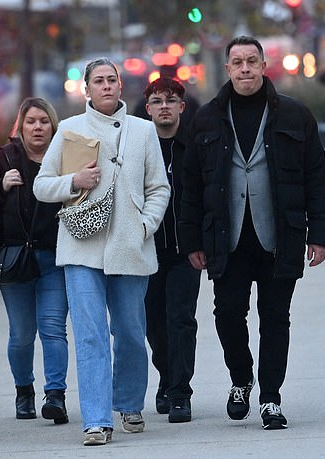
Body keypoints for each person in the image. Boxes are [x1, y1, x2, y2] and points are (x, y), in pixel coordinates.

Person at [179, 36, 325, 430]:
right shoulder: (208, 118)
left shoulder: (294, 115)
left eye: (252, 61)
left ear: (264, 65)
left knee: (275, 318)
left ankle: (270, 398)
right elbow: (191, 184)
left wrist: (320, 233)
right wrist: (192, 240)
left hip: (279, 235)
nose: (245, 68)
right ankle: (241, 378)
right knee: (227, 314)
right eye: (237, 62)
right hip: (226, 238)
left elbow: (317, 176)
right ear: (227, 69)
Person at [33, 57, 170, 446]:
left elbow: (159, 188)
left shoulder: (143, 131)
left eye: (112, 80)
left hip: (131, 245)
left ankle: (128, 402)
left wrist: (146, 224)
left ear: (121, 86)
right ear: (87, 89)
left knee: (129, 331)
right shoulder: (70, 129)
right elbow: (42, 186)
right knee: (90, 335)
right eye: (99, 81)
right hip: (81, 248)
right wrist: (73, 181)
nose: (106, 86)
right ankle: (96, 419)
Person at [0, 98, 69, 424]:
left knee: (53, 329)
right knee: (21, 333)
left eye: (44, 121)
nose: (38, 127)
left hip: (55, 258)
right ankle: (24, 392)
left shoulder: (64, 158)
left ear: (53, 125)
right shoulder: (4, 158)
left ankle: (55, 395)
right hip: (15, 258)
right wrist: (0, 186)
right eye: (31, 121)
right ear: (21, 126)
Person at [142, 77, 201, 423]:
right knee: (153, 323)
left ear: (182, 106)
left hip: (185, 251)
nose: (164, 106)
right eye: (157, 100)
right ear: (147, 108)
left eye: (171, 100)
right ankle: (166, 376)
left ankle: (180, 392)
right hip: (147, 250)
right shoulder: (138, 146)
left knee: (181, 320)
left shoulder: (194, 146)